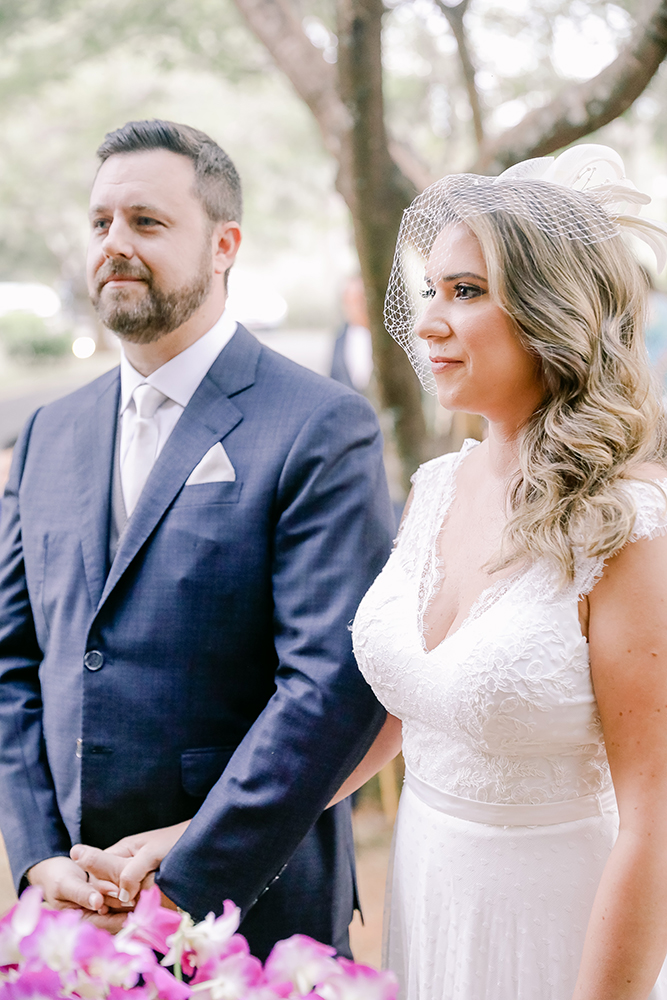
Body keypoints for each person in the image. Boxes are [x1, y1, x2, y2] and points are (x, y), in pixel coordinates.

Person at [0, 119, 394, 959]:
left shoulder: (320, 425)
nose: (114, 243)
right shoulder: (46, 435)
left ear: (225, 245)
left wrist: (180, 876)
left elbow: (328, 686)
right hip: (71, 918)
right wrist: (38, 857)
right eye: (100, 222)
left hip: (250, 915)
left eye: (146, 222)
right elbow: (13, 661)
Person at [334, 145, 667, 998]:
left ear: (553, 310)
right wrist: (219, 832)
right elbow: (411, 704)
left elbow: (654, 823)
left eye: (469, 292)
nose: (431, 322)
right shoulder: (437, 486)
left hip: (557, 927)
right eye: (433, 291)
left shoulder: (628, 525)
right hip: (429, 890)